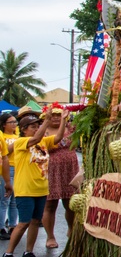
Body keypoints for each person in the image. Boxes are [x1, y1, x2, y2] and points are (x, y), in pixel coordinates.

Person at [1, 109, 68, 257]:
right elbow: (37, 137)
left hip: (41, 189)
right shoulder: (20, 143)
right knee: (23, 222)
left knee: (35, 221)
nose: (37, 129)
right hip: (26, 189)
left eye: (37, 126)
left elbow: (58, 138)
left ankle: (28, 252)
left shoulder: (43, 142)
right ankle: (8, 254)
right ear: (24, 130)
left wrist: (64, 120)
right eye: (33, 127)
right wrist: (46, 121)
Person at [41, 107, 79, 249]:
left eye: (59, 115)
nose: (56, 118)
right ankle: (50, 236)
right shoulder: (42, 131)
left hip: (70, 169)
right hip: (51, 170)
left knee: (71, 203)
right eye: (53, 115)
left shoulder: (71, 128)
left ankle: (71, 229)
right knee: (50, 204)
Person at [0, 112, 18, 240]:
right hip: (6, 169)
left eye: (15, 122)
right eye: (11, 122)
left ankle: (13, 225)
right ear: (4, 124)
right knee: (5, 199)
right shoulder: (2, 136)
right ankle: (1, 227)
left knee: (15, 200)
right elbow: (6, 152)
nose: (14, 124)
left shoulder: (18, 136)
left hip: (19, 168)